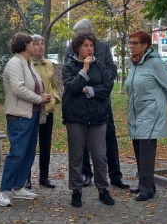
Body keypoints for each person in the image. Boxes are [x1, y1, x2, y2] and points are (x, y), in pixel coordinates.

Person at [64, 19, 130, 189]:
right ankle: (85, 174)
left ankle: (115, 175)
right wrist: (85, 79)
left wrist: (93, 87)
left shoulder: (103, 47)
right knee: (81, 143)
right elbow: (70, 80)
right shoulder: (70, 50)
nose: (88, 47)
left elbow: (111, 71)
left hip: (101, 103)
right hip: (79, 107)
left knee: (108, 139)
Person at [0, 33, 53, 207]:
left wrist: (44, 95)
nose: (35, 46)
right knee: (17, 153)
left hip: (32, 114)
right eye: (31, 43)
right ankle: (4, 190)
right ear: (25, 45)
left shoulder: (28, 63)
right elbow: (18, 89)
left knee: (28, 152)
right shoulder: (15, 63)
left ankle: (18, 186)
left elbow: (36, 84)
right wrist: (39, 98)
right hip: (19, 115)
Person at [62, 31, 116, 208]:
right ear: (78, 47)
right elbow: (72, 87)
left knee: (100, 155)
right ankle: (76, 190)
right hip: (76, 118)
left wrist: (88, 90)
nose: (89, 49)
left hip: (98, 117)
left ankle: (103, 189)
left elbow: (107, 87)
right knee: (76, 156)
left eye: (92, 45)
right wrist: (84, 70)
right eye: (86, 45)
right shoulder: (70, 66)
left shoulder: (100, 66)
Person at [125, 31, 167, 202]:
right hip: (136, 110)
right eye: (130, 42)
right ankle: (145, 184)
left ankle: (147, 189)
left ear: (145, 45)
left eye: (135, 43)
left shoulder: (155, 63)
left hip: (151, 111)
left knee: (146, 150)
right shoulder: (135, 63)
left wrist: (164, 102)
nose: (131, 45)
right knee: (139, 148)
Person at [27, 34, 60, 189]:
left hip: (47, 110)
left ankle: (44, 177)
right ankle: (26, 178)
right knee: (29, 144)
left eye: (42, 44)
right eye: (37, 44)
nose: (40, 47)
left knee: (45, 144)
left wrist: (54, 99)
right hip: (32, 110)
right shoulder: (26, 64)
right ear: (30, 46)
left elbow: (53, 85)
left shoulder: (48, 63)